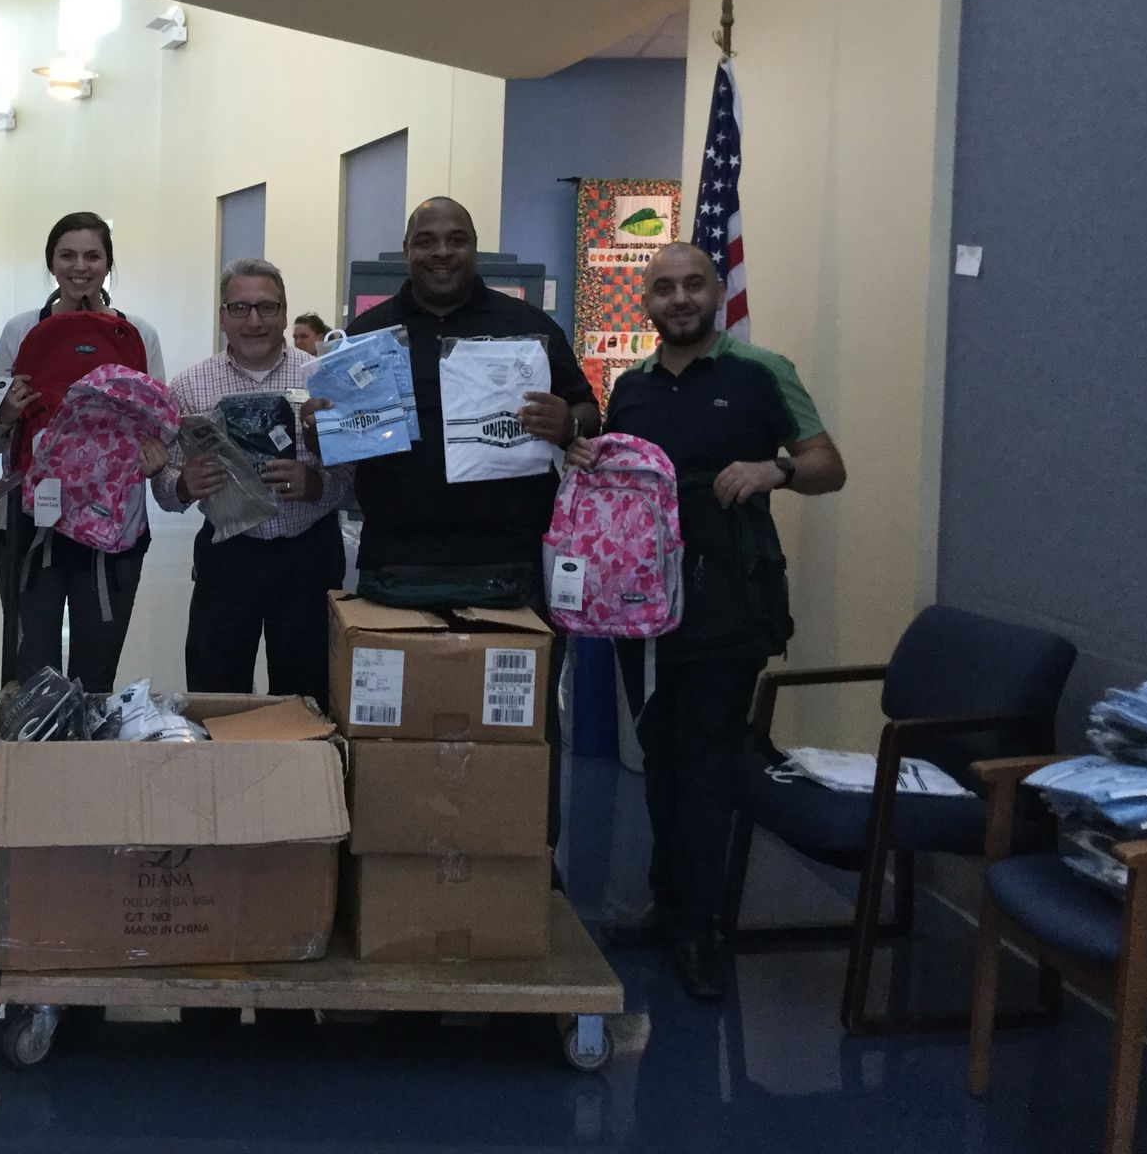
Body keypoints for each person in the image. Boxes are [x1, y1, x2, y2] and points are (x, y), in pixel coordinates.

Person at [587, 240, 846, 1002]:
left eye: (693, 284)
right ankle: (667, 903)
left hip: (730, 599)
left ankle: (699, 927)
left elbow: (828, 464)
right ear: (646, 302)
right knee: (660, 756)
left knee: (707, 763)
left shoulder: (762, 371)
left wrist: (776, 469)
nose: (679, 299)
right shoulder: (630, 388)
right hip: (643, 606)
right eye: (664, 288)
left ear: (715, 290)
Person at [332, 196, 598, 853]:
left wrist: (568, 423)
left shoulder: (528, 328)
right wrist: (328, 425)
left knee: (518, 729)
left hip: (507, 567)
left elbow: (588, 410)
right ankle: (393, 859)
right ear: (407, 250)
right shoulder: (370, 335)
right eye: (426, 240)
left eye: (456, 239)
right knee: (392, 730)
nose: (441, 252)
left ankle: (525, 862)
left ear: (474, 247)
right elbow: (344, 438)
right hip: (395, 567)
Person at [0, 212, 168, 692]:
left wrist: (156, 456)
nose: (80, 267)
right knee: (33, 672)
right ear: (51, 262)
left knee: (97, 671)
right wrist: (5, 415)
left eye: (92, 256)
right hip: (28, 521)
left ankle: (86, 745)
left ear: (108, 263)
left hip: (114, 522)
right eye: (67, 255)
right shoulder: (20, 330)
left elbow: (159, 423)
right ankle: (35, 744)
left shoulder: (139, 334)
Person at [154, 259, 350, 704]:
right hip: (228, 556)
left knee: (308, 697)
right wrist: (183, 485)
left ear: (285, 312)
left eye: (267, 307)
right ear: (222, 316)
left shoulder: (322, 378)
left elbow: (353, 478)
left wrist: (318, 485)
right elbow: (164, 486)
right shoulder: (189, 386)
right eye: (240, 308)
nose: (254, 321)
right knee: (216, 693)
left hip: (308, 555)